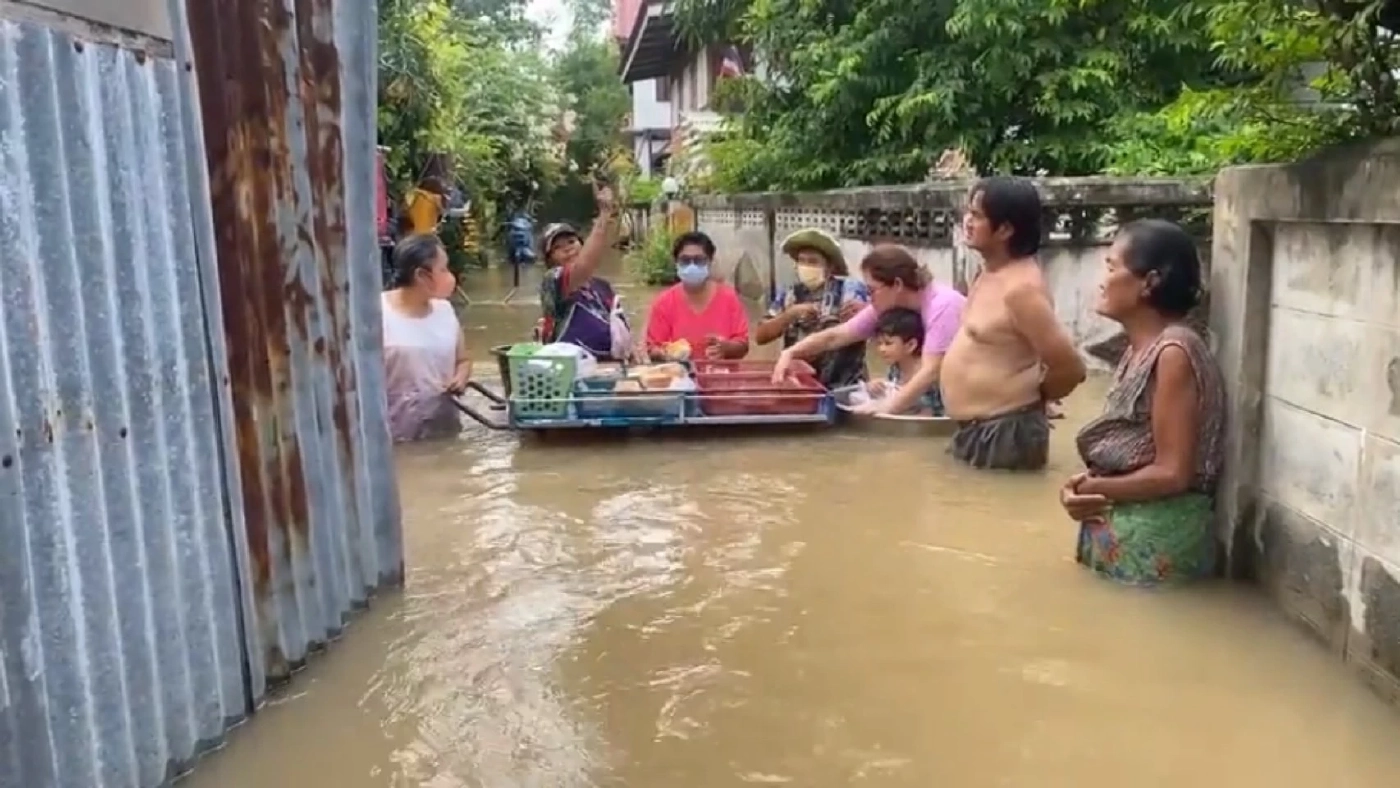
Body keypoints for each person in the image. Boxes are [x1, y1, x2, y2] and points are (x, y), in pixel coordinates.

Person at [1062, 219, 1225, 586]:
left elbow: (1173, 473)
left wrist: (1089, 489)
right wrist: (1078, 488)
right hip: (1126, 536)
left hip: (1156, 541)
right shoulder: (1139, 350)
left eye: (1111, 267)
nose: (1102, 280)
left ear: (1149, 282)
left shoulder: (1174, 352)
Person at [940, 176, 1086, 470]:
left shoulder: (1021, 290)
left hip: (1006, 432)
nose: (967, 221)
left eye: (978, 216)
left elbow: (1071, 367)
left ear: (1005, 229)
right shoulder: (988, 273)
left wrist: (1035, 397)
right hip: (979, 429)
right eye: (968, 212)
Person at [772, 245, 965, 416]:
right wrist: (791, 353)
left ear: (897, 285)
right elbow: (836, 336)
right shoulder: (888, 305)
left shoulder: (942, 306)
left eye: (872, 290)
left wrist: (885, 408)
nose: (868, 297)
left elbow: (930, 371)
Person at [381, 234, 472, 443]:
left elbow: (463, 360)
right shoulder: (377, 314)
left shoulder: (445, 310)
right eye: (443, 269)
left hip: (442, 430)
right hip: (394, 434)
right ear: (422, 276)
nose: (450, 276)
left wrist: (460, 378)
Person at [754, 228, 870, 389]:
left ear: (829, 266)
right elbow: (760, 336)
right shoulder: (789, 294)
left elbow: (879, 322)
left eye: (813, 261)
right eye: (802, 261)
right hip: (800, 387)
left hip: (845, 386)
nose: (806, 266)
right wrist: (789, 315)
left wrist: (864, 310)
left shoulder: (849, 289)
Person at [537, 183, 634, 361]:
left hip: (608, 365)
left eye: (571, 242)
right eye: (558, 247)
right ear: (550, 260)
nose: (567, 249)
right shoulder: (553, 280)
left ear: (582, 244)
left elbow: (621, 328)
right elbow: (584, 266)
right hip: (569, 367)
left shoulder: (602, 287)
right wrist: (604, 215)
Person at [645, 231, 751, 360]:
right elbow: (653, 349)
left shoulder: (729, 298)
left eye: (699, 260)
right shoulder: (664, 302)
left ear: (710, 261)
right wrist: (667, 354)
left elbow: (743, 345)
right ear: (676, 262)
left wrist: (726, 348)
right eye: (685, 260)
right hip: (679, 377)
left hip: (721, 376)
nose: (692, 266)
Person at [867, 307, 943, 415]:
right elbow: (894, 390)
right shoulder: (896, 368)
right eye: (879, 343)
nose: (881, 349)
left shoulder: (925, 373)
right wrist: (877, 388)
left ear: (910, 345)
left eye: (888, 343)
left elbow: (932, 410)